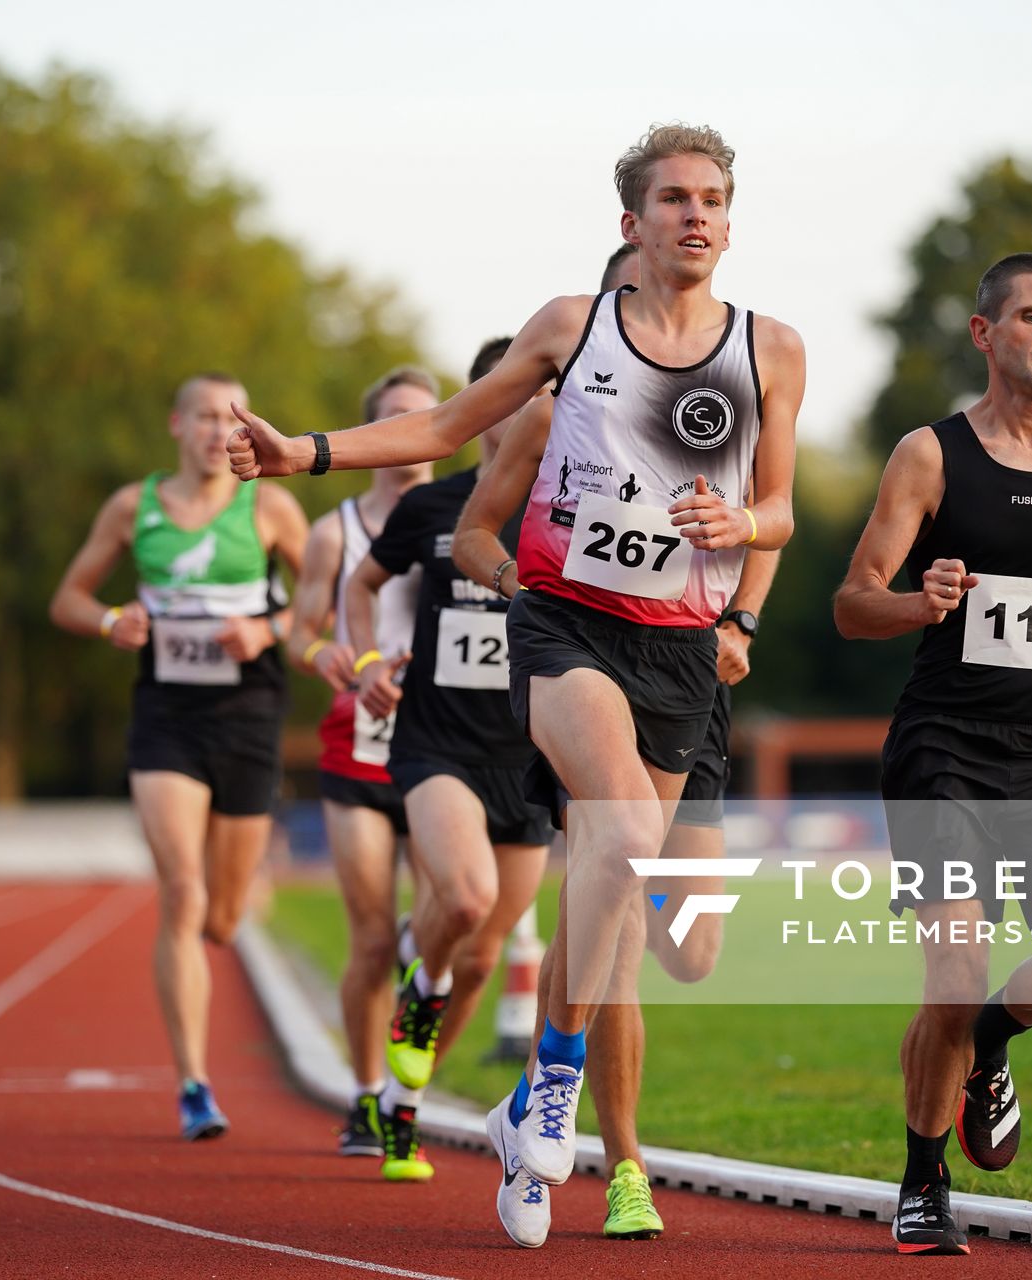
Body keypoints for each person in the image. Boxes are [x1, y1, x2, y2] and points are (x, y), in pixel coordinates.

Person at [228, 123, 805, 1248]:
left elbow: (779, 507)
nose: (698, 214)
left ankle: (536, 1084)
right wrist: (302, 451)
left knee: (654, 912)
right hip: (565, 624)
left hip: (681, 647)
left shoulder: (772, 348)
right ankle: (557, 1088)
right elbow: (444, 425)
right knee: (624, 830)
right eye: (675, 197)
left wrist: (741, 524)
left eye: (716, 199)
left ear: (731, 222)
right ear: (630, 221)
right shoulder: (569, 328)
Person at [450, 242, 782, 1245]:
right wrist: (526, 590)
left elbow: (769, 521)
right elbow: (477, 531)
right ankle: (616, 1155)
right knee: (621, 907)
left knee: (692, 948)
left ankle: (534, 1099)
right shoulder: (556, 410)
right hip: (580, 660)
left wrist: (743, 622)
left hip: (689, 681)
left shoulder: (723, 399)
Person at [833, 252, 1032, 1256]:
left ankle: (991, 1045)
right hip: (948, 745)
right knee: (954, 968)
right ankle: (924, 1180)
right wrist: (916, 601)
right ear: (984, 333)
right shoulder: (931, 455)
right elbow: (852, 600)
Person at [50, 372, 308, 1141]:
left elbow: (324, 601)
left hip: (250, 715)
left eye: (230, 420)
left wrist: (267, 629)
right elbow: (68, 598)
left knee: (223, 919)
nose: (215, 432)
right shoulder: (135, 507)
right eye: (202, 417)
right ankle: (194, 1083)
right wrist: (110, 623)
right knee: (182, 892)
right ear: (176, 425)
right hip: (166, 716)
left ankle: (227, 911)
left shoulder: (270, 506)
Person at [341, 338, 554, 1183]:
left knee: (479, 958)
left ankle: (403, 1107)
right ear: (484, 405)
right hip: (436, 746)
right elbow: (360, 588)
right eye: (514, 394)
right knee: (464, 898)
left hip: (528, 755)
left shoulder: (566, 514)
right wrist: (364, 665)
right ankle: (414, 981)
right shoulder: (433, 511)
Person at [281, 366, 435, 1157]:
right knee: (371, 939)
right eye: (395, 417)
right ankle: (368, 1097)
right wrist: (326, 656)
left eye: (424, 415)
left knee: (449, 931)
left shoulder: (473, 512)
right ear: (374, 435)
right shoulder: (335, 531)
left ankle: (410, 1068)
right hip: (359, 749)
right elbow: (298, 629)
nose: (411, 429)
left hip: (446, 747)